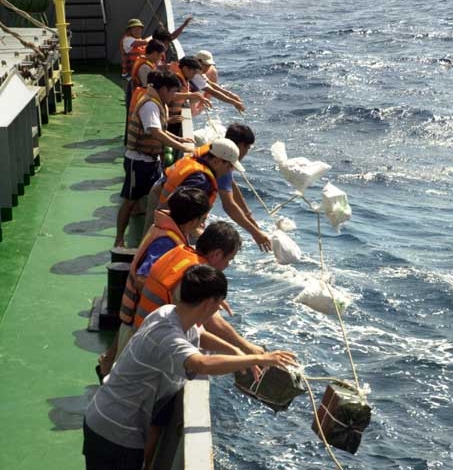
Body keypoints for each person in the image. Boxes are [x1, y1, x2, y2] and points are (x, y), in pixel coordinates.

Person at [83, 264, 297, 470]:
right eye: (218, 304)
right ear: (209, 303)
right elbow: (201, 363)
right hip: (114, 432)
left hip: (108, 418)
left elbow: (200, 335)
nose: (219, 309)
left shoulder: (169, 312)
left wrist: (237, 351)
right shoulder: (166, 335)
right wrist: (257, 359)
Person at [97, 187, 211, 379]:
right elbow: (143, 277)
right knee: (121, 375)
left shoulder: (164, 229)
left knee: (115, 363)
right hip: (140, 320)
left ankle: (106, 365)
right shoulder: (166, 242)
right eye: (202, 219)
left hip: (134, 316)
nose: (203, 224)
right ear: (193, 221)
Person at [131, 221, 265, 361]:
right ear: (217, 254)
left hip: (141, 331)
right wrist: (248, 347)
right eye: (229, 259)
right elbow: (213, 324)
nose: (227, 265)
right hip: (154, 347)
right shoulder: (197, 275)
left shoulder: (180, 252)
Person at [144, 126, 272, 251]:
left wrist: (249, 218)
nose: (230, 170)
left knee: (148, 244)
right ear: (217, 162)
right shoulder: (201, 181)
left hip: (160, 195)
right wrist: (201, 236)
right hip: (166, 213)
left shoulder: (212, 152)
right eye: (229, 167)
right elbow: (181, 211)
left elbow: (230, 184)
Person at [114, 70, 196, 248]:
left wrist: (179, 139)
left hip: (151, 160)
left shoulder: (157, 102)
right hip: (138, 161)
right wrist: (182, 147)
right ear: (164, 89)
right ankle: (119, 238)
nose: (173, 96)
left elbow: (160, 128)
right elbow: (155, 132)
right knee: (129, 201)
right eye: (173, 92)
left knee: (153, 194)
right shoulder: (150, 105)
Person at [165, 56, 243, 138]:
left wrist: (232, 96)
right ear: (185, 68)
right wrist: (191, 95)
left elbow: (211, 85)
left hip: (175, 114)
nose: (193, 76)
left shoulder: (188, 75)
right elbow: (168, 95)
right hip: (169, 116)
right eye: (193, 73)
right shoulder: (175, 78)